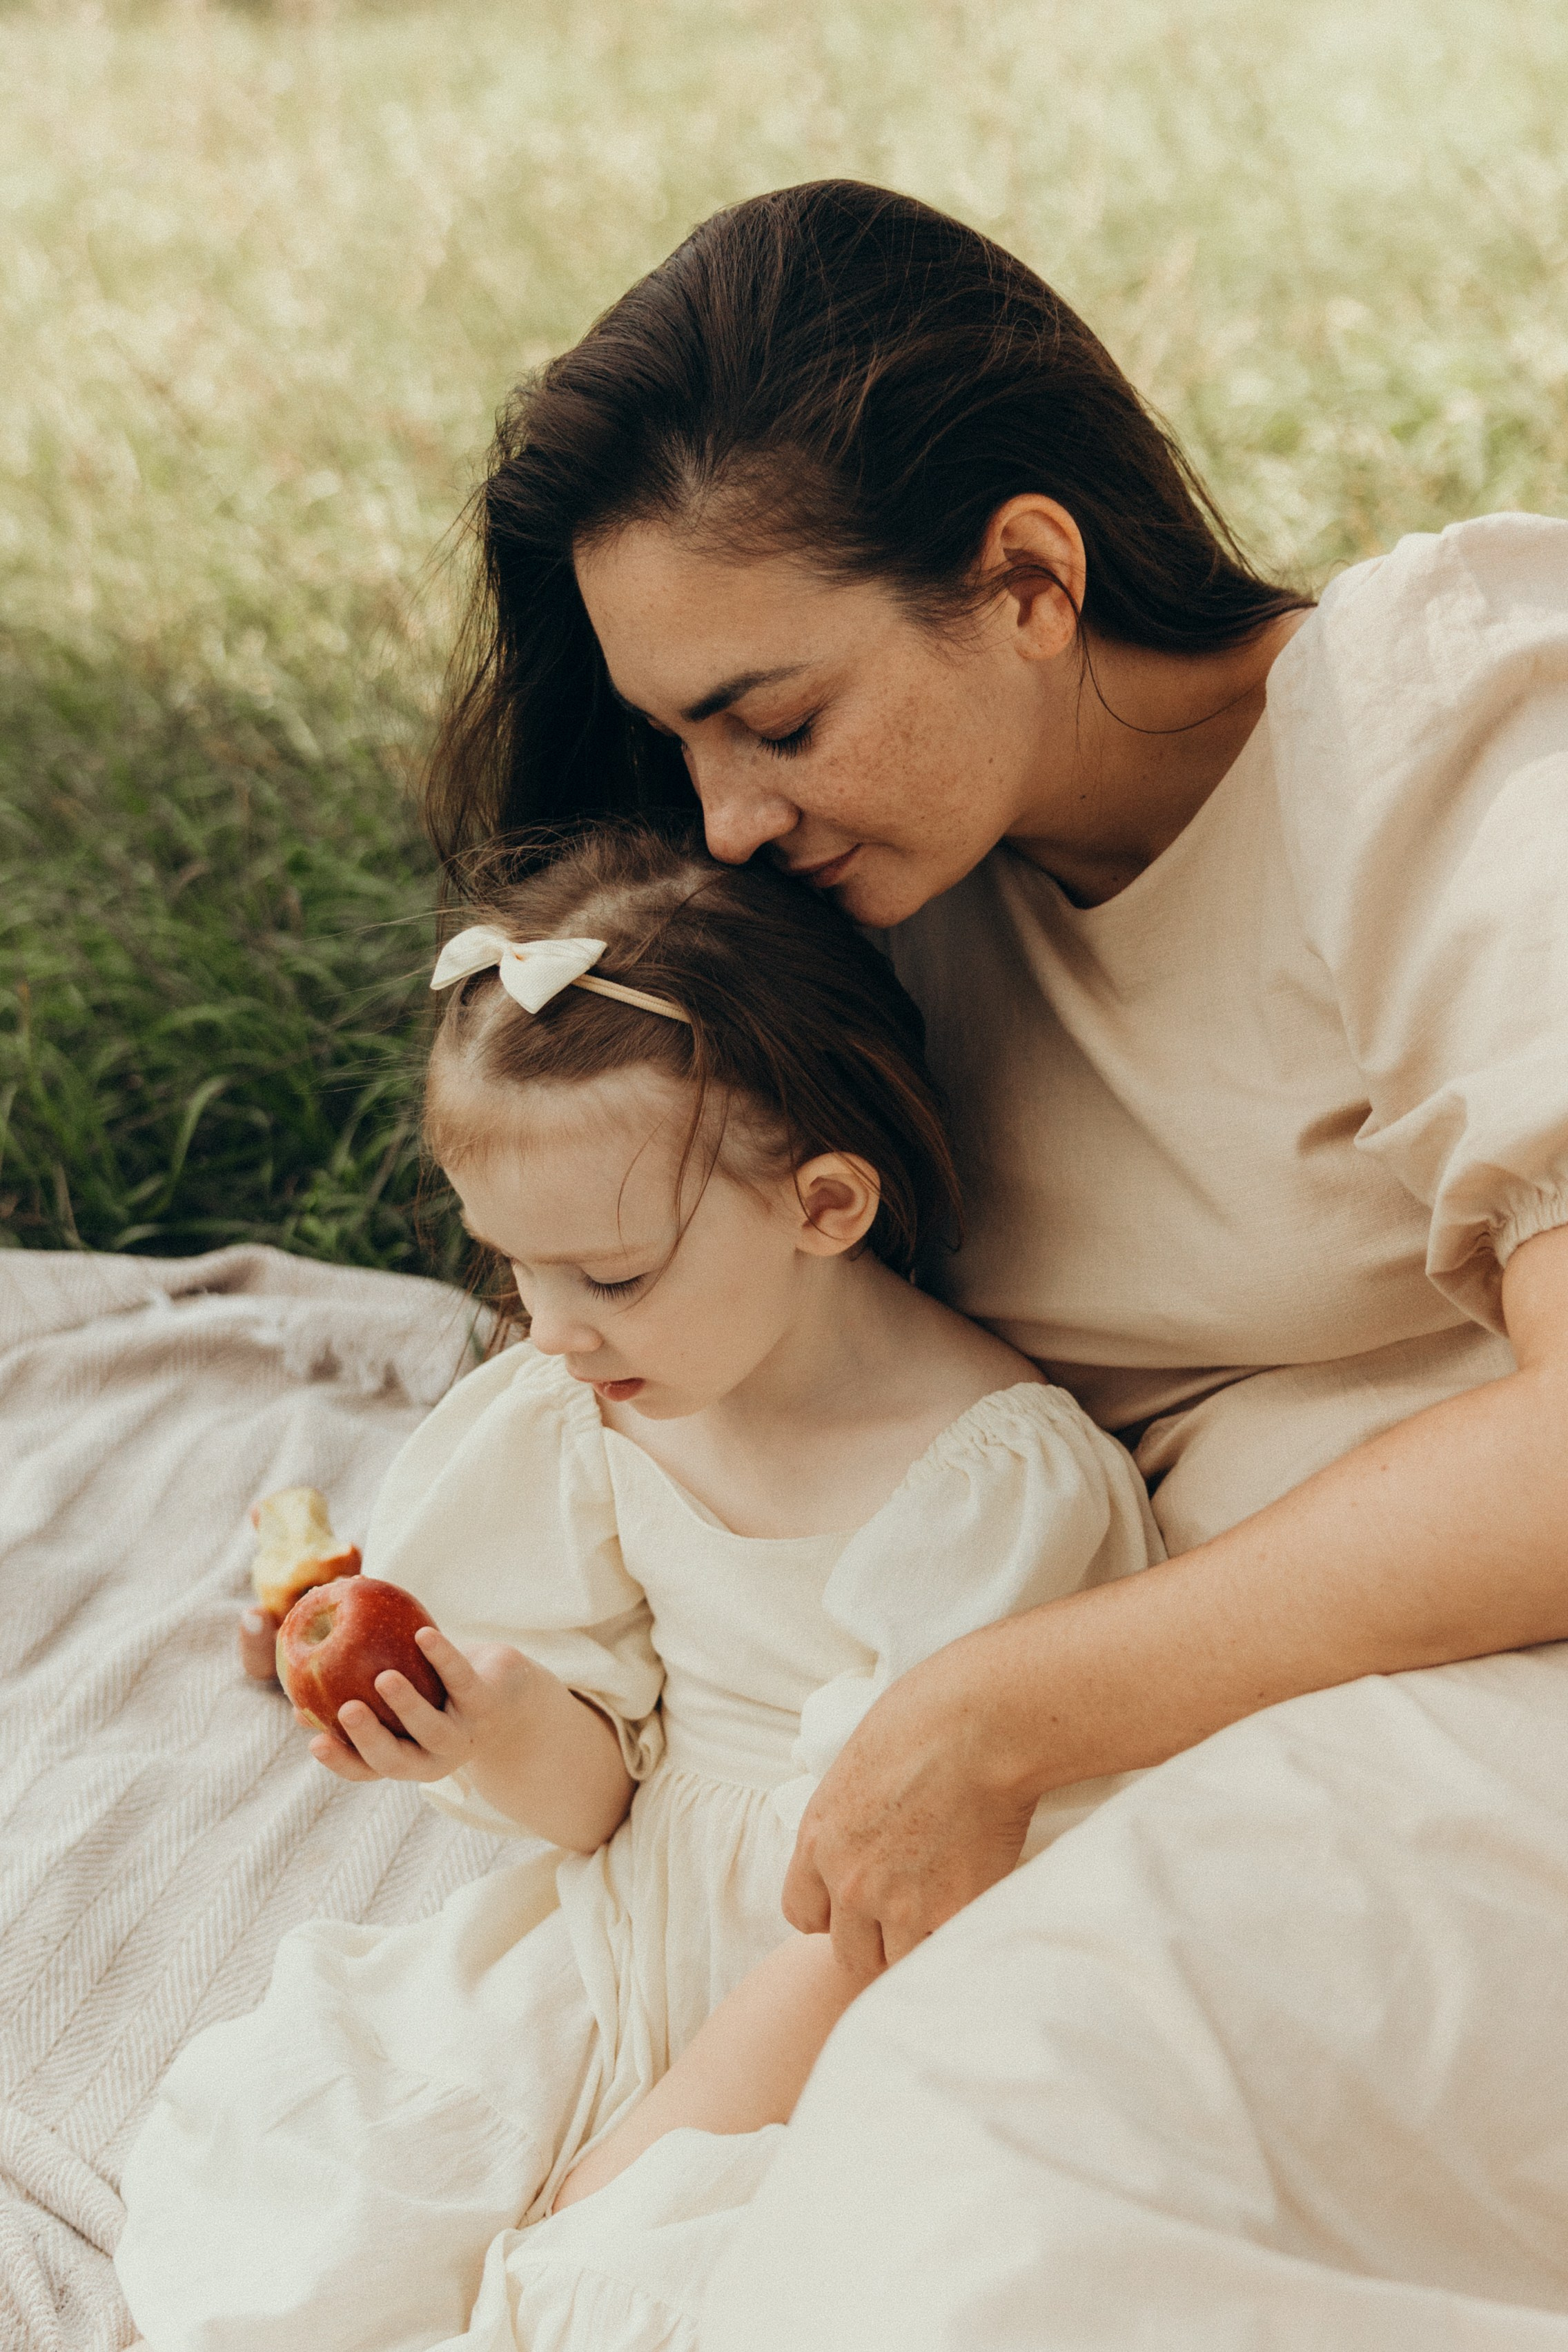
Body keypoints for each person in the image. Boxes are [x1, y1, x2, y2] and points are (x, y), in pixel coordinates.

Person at [402, 177, 1568, 2339]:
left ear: (1030, 577)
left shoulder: (1433, 729)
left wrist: (1009, 1710)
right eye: (681, 740)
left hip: (1472, 1696)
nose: (724, 817)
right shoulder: (876, 915)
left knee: (989, 2167)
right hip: (1145, 1727)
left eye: (776, 718)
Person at [114, 825, 1159, 2351]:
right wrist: (500, 1730)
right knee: (338, 2201)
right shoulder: (598, 1406)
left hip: (861, 1976)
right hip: (636, 1931)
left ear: (824, 1208)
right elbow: (608, 1805)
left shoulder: (984, 1485)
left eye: (609, 1277)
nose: (552, 1333)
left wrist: (623, 2174)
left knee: (660, 2276)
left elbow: (875, 1905)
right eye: (513, 1269)